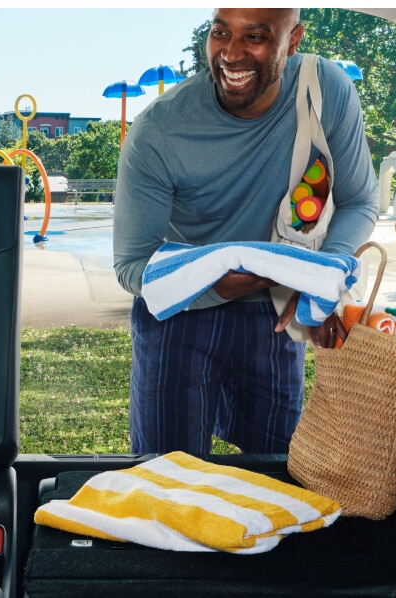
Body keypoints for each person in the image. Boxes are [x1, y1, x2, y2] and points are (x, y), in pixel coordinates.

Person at [112, 7, 379, 455]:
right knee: (169, 475)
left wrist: (319, 276)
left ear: (292, 41)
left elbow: (360, 200)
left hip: (275, 315)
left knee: (273, 475)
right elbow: (132, 265)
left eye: (254, 37)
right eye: (220, 33)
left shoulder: (325, 89)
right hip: (180, 315)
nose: (231, 54)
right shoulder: (159, 129)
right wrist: (223, 285)